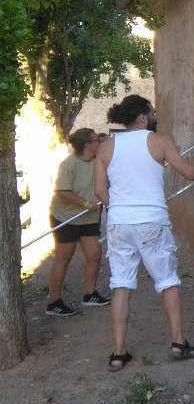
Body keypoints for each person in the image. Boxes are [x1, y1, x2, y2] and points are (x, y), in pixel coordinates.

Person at [94, 95, 194, 371]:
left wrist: (121, 207)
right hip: (151, 221)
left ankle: (119, 354)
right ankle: (178, 343)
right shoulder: (160, 141)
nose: (155, 116)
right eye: (152, 112)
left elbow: (99, 191)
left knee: (121, 285)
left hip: (119, 222)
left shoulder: (106, 146)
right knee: (167, 281)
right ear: (143, 117)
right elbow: (190, 173)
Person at [46, 128, 109, 317]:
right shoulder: (69, 164)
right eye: (96, 139)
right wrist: (83, 203)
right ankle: (54, 303)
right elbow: (62, 191)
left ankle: (90, 294)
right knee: (64, 258)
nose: (100, 141)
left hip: (89, 217)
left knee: (94, 254)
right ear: (87, 145)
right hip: (66, 217)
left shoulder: (99, 160)